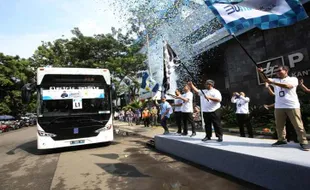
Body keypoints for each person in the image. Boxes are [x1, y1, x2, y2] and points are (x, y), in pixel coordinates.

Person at [257, 66, 309, 151]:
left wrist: (273, 82)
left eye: (279, 70)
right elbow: (266, 79)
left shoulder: (293, 79)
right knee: (279, 125)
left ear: (286, 71)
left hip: (292, 106)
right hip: (279, 106)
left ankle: (303, 141)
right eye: (276, 71)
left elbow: (287, 86)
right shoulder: (276, 80)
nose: (277, 72)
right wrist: (261, 72)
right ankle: (281, 140)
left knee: (298, 125)